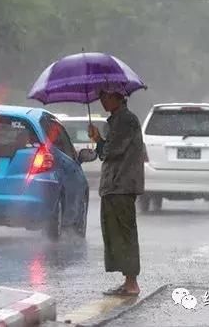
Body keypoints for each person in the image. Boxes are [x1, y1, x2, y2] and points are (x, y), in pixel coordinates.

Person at [88, 91, 145, 296]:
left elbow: (110, 152)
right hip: (113, 185)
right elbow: (108, 151)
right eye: (101, 97)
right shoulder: (117, 120)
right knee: (115, 235)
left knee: (125, 233)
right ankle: (127, 280)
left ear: (118, 97)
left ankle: (132, 282)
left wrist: (99, 141)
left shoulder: (126, 121)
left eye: (106, 96)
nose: (103, 100)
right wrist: (99, 139)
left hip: (122, 185)